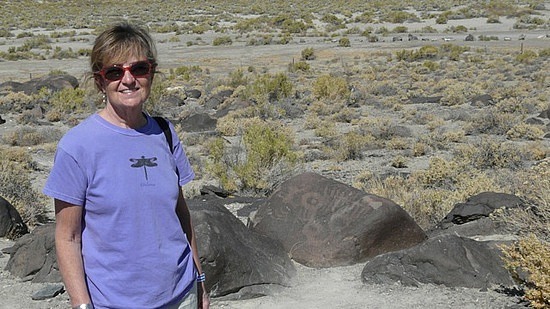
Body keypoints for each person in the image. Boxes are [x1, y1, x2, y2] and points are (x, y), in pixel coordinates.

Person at [43, 21, 210, 309]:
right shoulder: (78, 146)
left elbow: (181, 215)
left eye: (139, 69)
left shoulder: (165, 133)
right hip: (114, 302)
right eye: (114, 72)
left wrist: (200, 283)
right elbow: (67, 236)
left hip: (181, 294)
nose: (128, 79)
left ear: (152, 73)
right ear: (99, 81)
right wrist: (81, 304)